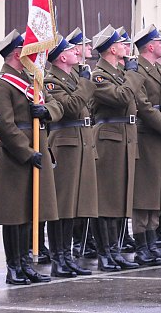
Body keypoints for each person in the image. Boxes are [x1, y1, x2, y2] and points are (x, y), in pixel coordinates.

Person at [0, 30, 64, 285]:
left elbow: (58, 105)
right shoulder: (0, 83)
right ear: (16, 54)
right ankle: (14, 267)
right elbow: (6, 126)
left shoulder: (34, 79)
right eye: (29, 50)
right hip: (16, 155)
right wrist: (26, 152)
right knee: (15, 213)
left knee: (30, 210)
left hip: (38, 145)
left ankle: (26, 264)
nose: (35, 54)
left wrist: (45, 111)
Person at [44, 35, 98, 276]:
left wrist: (83, 83)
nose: (77, 52)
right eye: (71, 50)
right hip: (65, 144)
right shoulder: (51, 81)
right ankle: (58, 259)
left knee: (75, 204)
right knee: (63, 205)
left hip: (81, 143)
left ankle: (67, 256)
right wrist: (85, 85)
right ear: (61, 57)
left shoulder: (74, 77)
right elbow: (70, 108)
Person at [89, 25, 141, 271]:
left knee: (120, 198)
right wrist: (132, 75)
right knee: (107, 200)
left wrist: (128, 75)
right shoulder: (98, 75)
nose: (126, 48)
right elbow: (121, 97)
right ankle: (105, 253)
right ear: (111, 49)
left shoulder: (118, 73)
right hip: (109, 139)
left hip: (125, 137)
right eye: (122, 44)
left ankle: (116, 250)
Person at [129, 25, 161, 265]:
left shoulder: (160, 69)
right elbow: (143, 104)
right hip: (147, 133)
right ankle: (142, 245)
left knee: (158, 190)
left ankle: (152, 242)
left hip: (158, 134)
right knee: (145, 192)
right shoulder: (138, 68)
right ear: (150, 46)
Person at [65, 27, 97, 259]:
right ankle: (75, 242)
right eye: (85, 46)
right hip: (69, 139)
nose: (89, 49)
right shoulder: (68, 77)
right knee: (69, 196)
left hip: (85, 136)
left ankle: (84, 239)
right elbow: (74, 104)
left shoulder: (80, 74)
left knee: (83, 194)